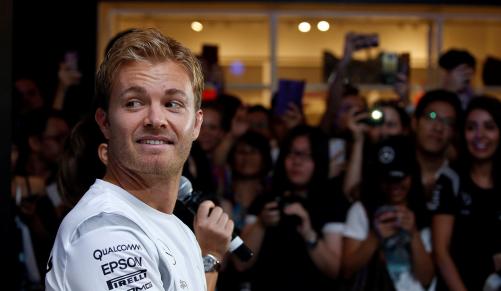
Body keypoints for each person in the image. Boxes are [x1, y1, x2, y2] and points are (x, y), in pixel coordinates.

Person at [45, 28, 233, 291]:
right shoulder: (105, 229)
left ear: (196, 124)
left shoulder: (175, 229)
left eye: (173, 104)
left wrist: (208, 258)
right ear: (105, 122)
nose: (155, 119)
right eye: (134, 103)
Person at [236, 125, 346, 291]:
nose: (296, 161)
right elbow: (240, 263)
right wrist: (261, 224)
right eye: (291, 153)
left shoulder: (332, 203)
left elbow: (334, 270)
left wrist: (309, 234)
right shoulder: (265, 200)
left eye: (306, 155)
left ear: (319, 159)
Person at [342, 136, 434, 291]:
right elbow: (346, 271)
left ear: (412, 175)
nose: (394, 186)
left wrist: (413, 234)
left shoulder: (423, 211)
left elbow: (426, 279)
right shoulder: (361, 210)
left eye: (400, 179)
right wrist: (375, 237)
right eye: (388, 179)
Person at [432, 96, 501, 291]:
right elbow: (441, 252)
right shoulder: (450, 179)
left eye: (489, 127)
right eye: (471, 128)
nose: (480, 135)